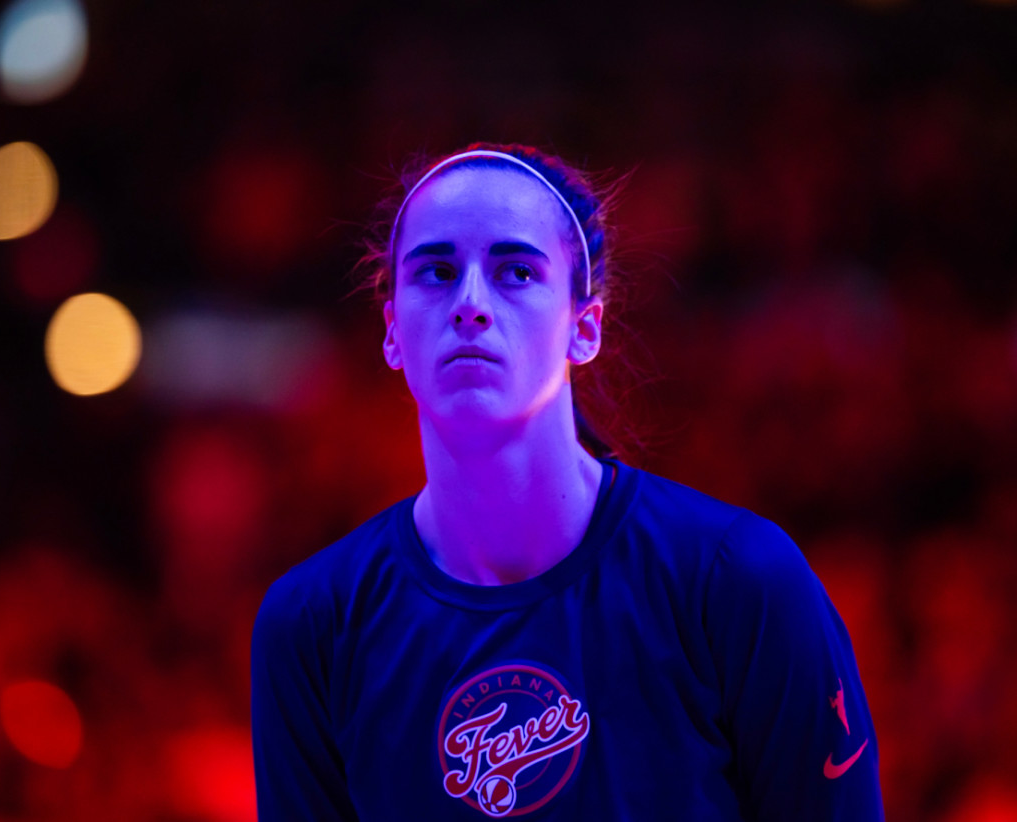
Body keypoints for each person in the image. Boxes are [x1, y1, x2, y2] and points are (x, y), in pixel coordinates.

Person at [250, 143, 884, 820]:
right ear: (392, 332)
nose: (470, 303)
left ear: (585, 327)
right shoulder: (313, 625)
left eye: (516, 272)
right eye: (435, 272)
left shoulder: (739, 578)